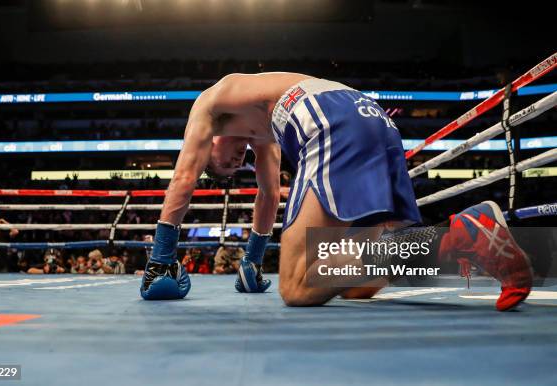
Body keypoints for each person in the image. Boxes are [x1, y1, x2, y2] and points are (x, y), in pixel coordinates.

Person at [140, 73, 532, 311]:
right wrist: (251, 262)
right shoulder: (259, 127)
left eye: (225, 160)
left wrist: (159, 262)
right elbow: (268, 194)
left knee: (295, 286)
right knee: (355, 286)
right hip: (369, 116)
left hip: (329, 119)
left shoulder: (210, 103)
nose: (238, 157)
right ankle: (461, 238)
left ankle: (459, 233)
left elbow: (182, 180)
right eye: (234, 166)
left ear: (209, 143)